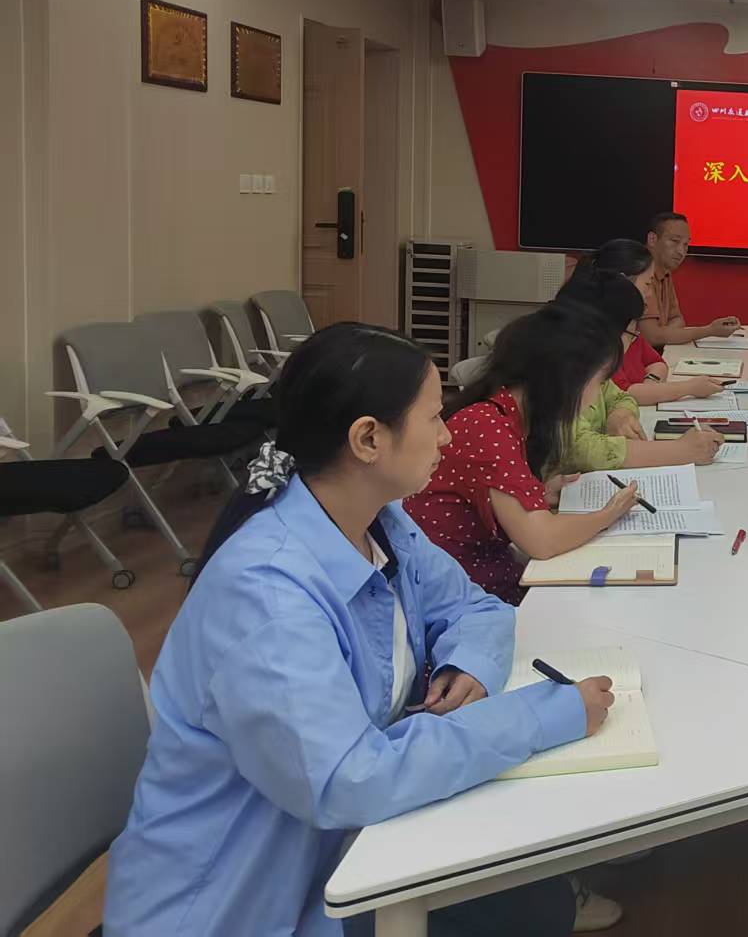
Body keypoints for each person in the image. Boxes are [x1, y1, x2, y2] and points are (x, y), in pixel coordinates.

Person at [105, 323, 617, 936]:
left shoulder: (380, 522)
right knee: (523, 909)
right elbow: (350, 779)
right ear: (369, 439)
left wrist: (469, 664)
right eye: (434, 417)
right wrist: (540, 716)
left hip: (341, 848)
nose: (447, 435)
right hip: (240, 908)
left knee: (529, 896)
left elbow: (477, 608)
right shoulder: (266, 595)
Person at [404, 305, 647, 606]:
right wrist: (608, 514)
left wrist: (540, 493)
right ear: (568, 380)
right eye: (598, 383)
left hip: (480, 575)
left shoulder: (504, 413)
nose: (598, 396)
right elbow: (542, 540)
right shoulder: (487, 426)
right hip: (463, 596)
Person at [545, 278, 724, 472]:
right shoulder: (563, 375)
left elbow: (621, 397)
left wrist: (619, 414)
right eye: (632, 334)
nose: (633, 342)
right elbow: (578, 449)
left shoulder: (595, 372)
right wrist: (680, 451)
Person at [565, 241, 725, 405]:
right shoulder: (596, 336)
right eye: (648, 284)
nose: (649, 294)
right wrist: (689, 388)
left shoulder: (628, 326)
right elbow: (624, 394)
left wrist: (650, 385)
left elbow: (657, 363)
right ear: (624, 281)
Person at [638, 211, 741, 348]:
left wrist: (665, 334)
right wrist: (710, 330)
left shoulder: (665, 272)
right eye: (675, 241)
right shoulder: (640, 273)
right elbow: (652, 337)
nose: (681, 251)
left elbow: (678, 319)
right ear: (652, 239)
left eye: (685, 244)